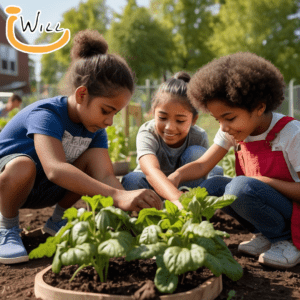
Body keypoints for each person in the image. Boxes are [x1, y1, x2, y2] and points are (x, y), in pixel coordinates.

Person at [0, 29, 162, 265]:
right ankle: (6, 228)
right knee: (23, 165)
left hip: (42, 189)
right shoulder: (46, 115)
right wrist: (118, 195)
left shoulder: (94, 129)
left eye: (115, 113)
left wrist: (129, 209)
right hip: (10, 186)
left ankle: (58, 221)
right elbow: (55, 169)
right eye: (106, 110)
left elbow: (105, 175)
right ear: (82, 94)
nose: (109, 121)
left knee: (88, 165)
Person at [168, 52, 300, 269]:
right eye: (217, 119)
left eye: (229, 118)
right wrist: (176, 176)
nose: (223, 127)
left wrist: (266, 181)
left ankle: (287, 241)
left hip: (295, 215)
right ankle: (266, 234)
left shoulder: (291, 133)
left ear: (259, 107)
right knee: (212, 186)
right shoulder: (234, 130)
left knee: (238, 187)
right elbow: (203, 165)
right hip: (266, 201)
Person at [122, 72, 223, 208]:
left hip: (185, 191)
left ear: (194, 120)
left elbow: (203, 170)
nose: (170, 127)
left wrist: (181, 195)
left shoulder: (198, 136)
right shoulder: (148, 132)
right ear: (153, 112)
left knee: (197, 153)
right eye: (162, 118)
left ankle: (190, 206)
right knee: (131, 181)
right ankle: (161, 207)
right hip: (154, 186)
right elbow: (150, 170)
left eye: (180, 120)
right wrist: (175, 197)